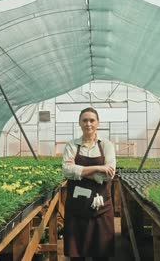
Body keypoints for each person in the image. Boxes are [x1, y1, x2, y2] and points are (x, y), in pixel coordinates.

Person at [62, 107, 116, 261]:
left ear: (97, 123)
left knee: (101, 252)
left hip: (101, 206)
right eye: (84, 120)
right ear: (79, 123)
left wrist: (79, 171)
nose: (88, 123)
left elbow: (109, 174)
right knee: (76, 253)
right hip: (77, 207)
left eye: (92, 120)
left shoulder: (106, 145)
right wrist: (98, 168)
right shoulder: (72, 145)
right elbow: (66, 171)